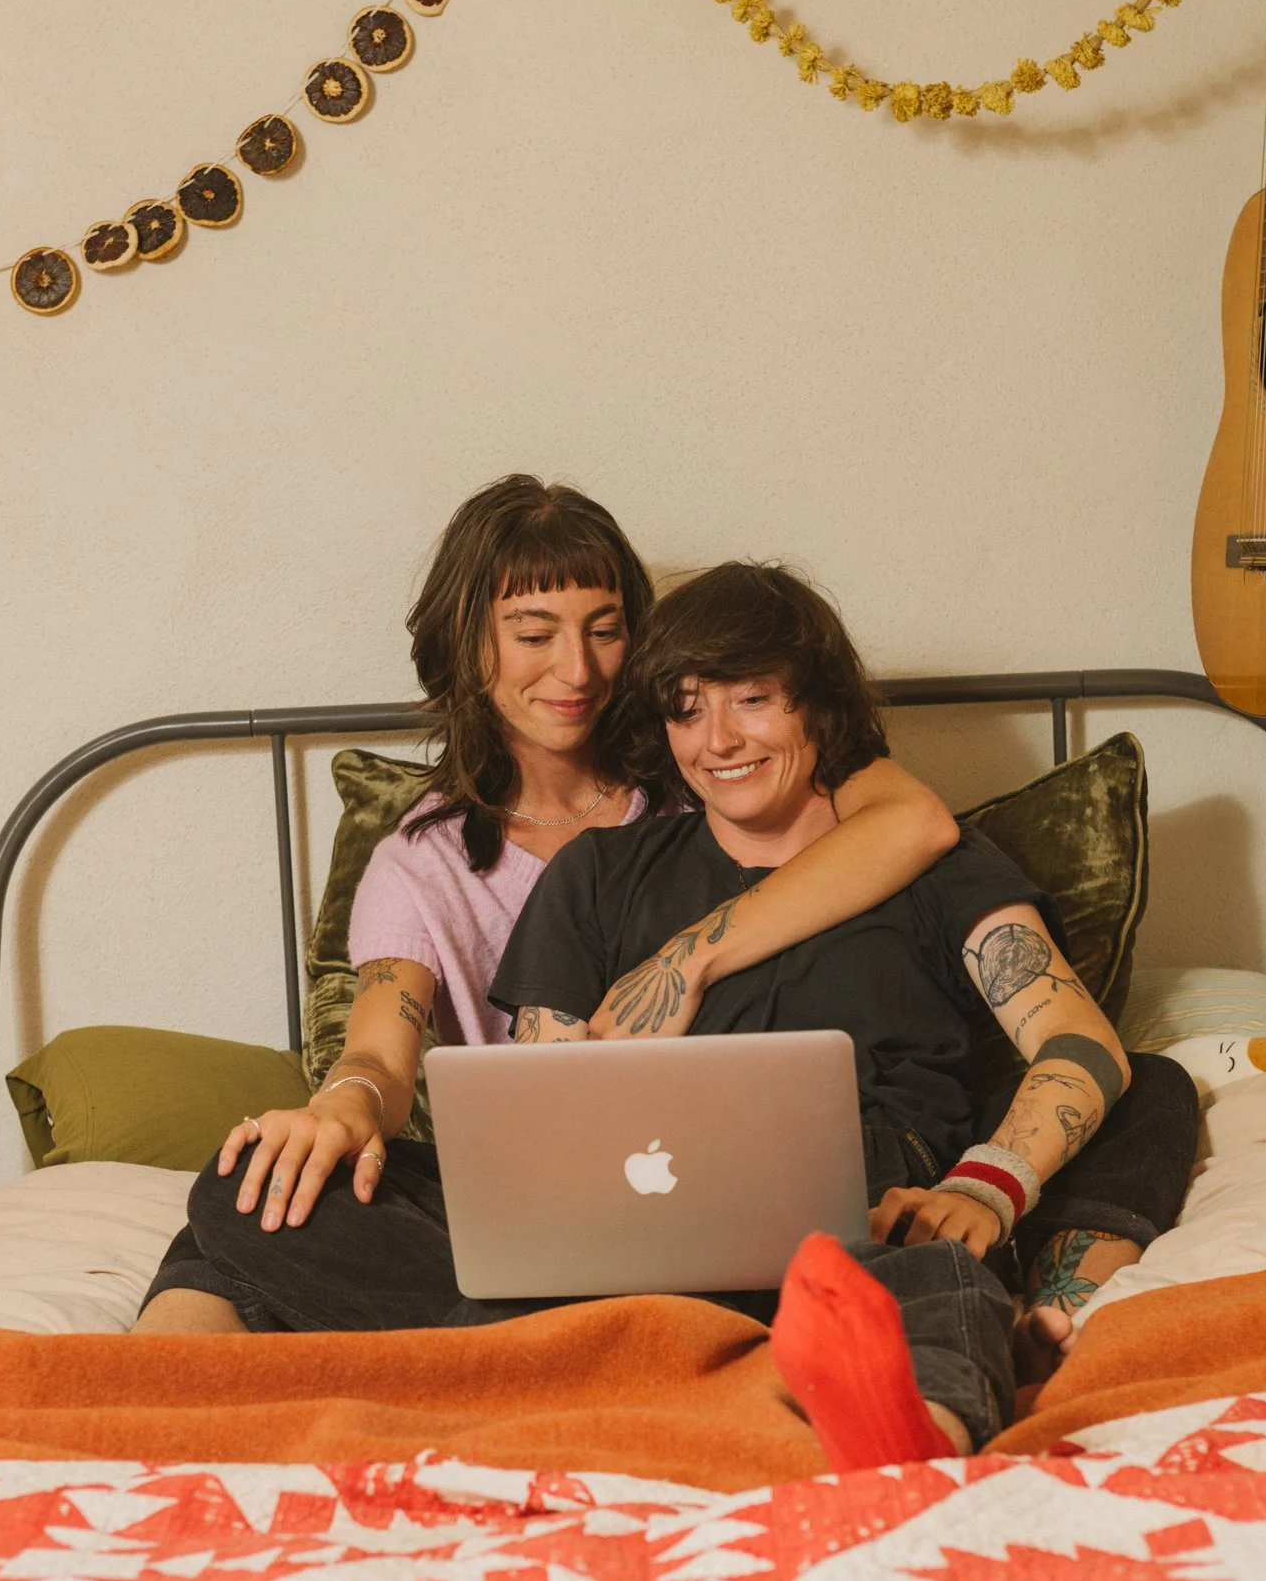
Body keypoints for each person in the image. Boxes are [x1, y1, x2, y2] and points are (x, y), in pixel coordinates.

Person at [135, 478, 959, 1333]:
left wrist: (690, 956)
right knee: (248, 1183)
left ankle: (532, 1342)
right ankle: (579, 1336)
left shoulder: (722, 775)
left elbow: (914, 822)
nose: (577, 670)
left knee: (249, 1245)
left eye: (605, 632)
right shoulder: (422, 860)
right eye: (534, 634)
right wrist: (343, 1100)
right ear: (468, 644)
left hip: (715, 1186)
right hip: (536, 1209)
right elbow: (380, 1053)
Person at [487, 561, 1199, 1465]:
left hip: (879, 1212)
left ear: (818, 709)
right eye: (686, 708)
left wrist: (984, 1184)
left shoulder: (934, 865)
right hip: (649, 1218)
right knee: (274, 1200)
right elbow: (538, 1106)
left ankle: (924, 1423)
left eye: (751, 700)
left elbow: (1075, 1039)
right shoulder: (596, 874)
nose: (716, 740)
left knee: (1146, 1090)